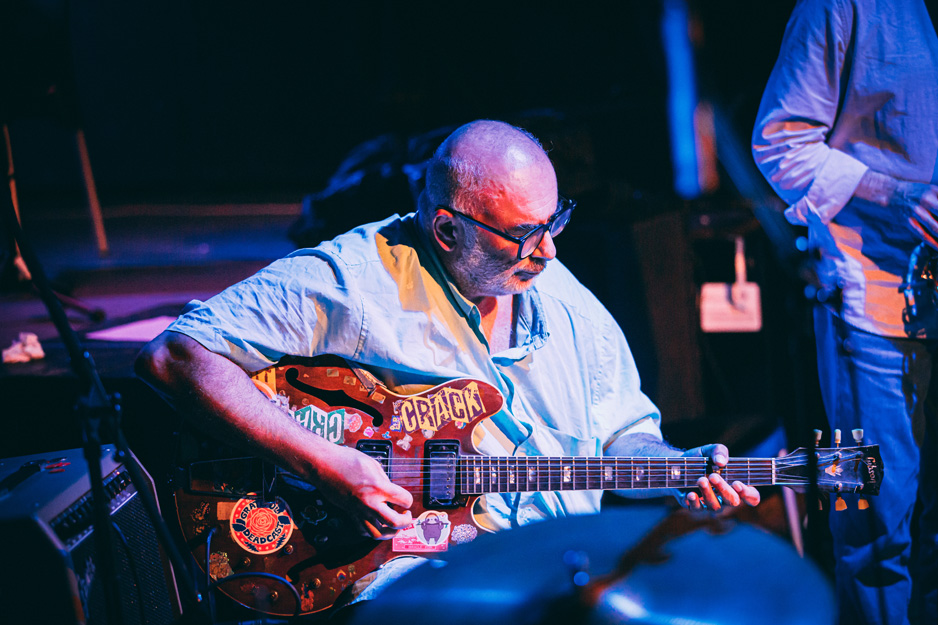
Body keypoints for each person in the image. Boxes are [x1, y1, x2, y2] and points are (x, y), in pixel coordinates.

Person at [137, 119, 760, 606]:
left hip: (565, 571)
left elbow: (621, 436)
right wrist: (324, 463)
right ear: (446, 230)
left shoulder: (566, 298)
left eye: (555, 221)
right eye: (523, 233)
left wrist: (677, 468)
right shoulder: (355, 280)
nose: (548, 251)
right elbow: (176, 355)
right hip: (422, 576)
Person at [752, 1, 938, 624]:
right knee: (872, 534)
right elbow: (778, 145)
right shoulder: (839, 6)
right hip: (875, 300)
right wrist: (897, 194)